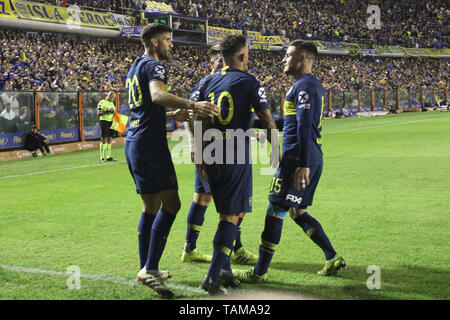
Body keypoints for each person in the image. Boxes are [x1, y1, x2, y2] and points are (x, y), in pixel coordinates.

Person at [233, 41, 346, 285]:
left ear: (302, 58)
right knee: (297, 211)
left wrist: (302, 163)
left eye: (288, 55)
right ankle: (332, 256)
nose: (283, 59)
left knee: (275, 211)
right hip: (310, 158)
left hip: (298, 160)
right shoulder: (307, 85)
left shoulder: (304, 86)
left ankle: (259, 272)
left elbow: (305, 126)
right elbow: (292, 124)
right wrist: (254, 124)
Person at [124, 23, 219, 299]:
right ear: (154, 42)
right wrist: (193, 105)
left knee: (151, 204)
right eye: (167, 39)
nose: (171, 44)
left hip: (135, 140)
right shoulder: (155, 66)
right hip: (150, 145)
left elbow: (145, 107)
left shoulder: (135, 66)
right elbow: (156, 95)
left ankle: (146, 268)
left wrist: (171, 116)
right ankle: (149, 269)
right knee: (173, 203)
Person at [196, 34, 278, 295]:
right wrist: (275, 148)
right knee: (230, 216)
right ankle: (212, 277)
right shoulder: (250, 82)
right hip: (234, 153)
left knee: (235, 212)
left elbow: (196, 114)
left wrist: (197, 150)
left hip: (210, 152)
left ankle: (225, 269)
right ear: (243, 56)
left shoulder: (207, 80)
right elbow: (266, 117)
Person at [181, 44, 258, 266]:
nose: (218, 63)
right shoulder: (206, 83)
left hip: (225, 149)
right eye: (215, 60)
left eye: (220, 59)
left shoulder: (234, 83)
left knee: (217, 202)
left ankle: (231, 249)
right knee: (218, 202)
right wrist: (194, 142)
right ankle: (203, 253)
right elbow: (189, 113)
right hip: (216, 152)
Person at [97, 91, 117, 163]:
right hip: (104, 121)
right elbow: (98, 114)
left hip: (111, 122)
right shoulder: (102, 102)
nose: (114, 99)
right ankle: (102, 157)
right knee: (103, 139)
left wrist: (115, 112)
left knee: (109, 139)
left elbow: (115, 112)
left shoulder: (112, 104)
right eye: (113, 97)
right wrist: (107, 111)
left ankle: (108, 157)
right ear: (110, 96)